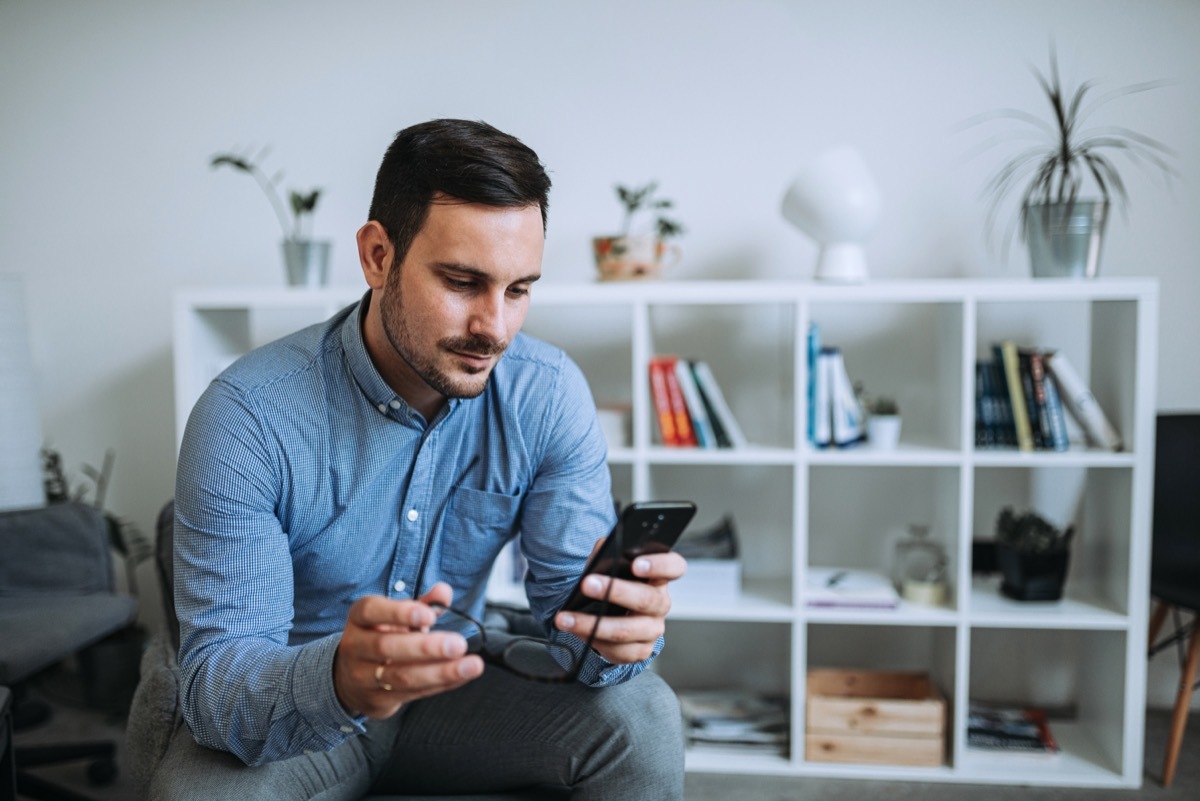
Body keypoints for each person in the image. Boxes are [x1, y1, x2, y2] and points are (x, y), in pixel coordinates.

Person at [152, 119, 687, 800]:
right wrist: (342, 676)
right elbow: (218, 683)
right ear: (378, 256)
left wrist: (615, 634)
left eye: (518, 289)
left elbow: (570, 626)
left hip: (454, 688)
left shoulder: (547, 395)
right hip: (304, 699)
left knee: (645, 715)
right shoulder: (247, 415)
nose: (495, 327)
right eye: (463, 281)